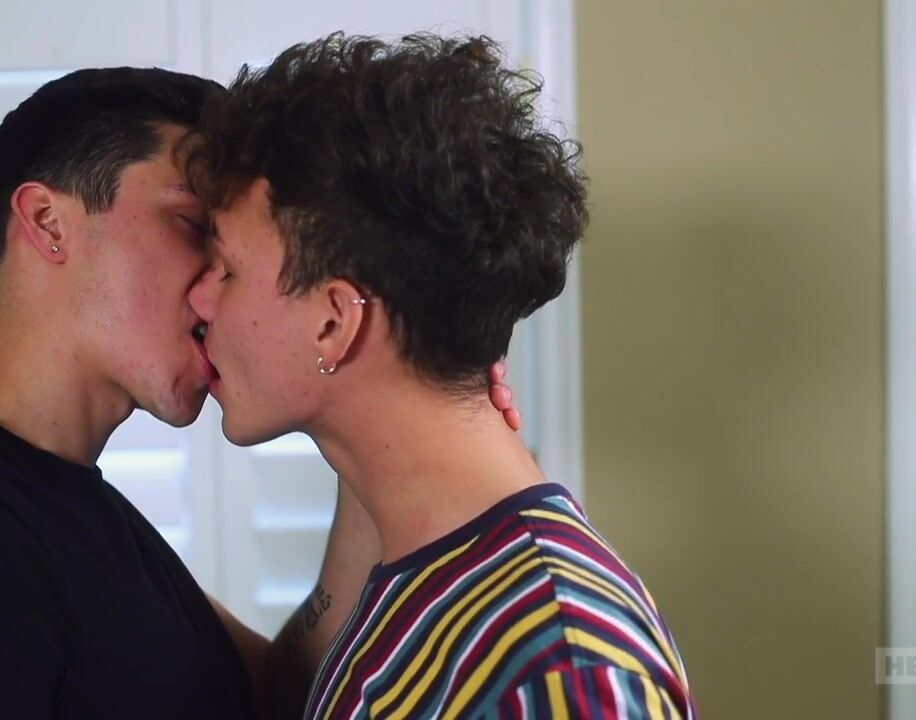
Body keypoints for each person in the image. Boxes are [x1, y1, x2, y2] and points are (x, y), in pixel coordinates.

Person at [0, 65, 518, 719]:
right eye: (194, 226)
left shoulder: (72, 506)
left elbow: (281, 695)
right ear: (47, 223)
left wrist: (370, 415)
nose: (218, 287)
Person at [184, 33, 697, 718]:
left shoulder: (558, 669)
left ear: (334, 323)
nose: (199, 299)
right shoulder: (419, 572)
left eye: (227, 270)